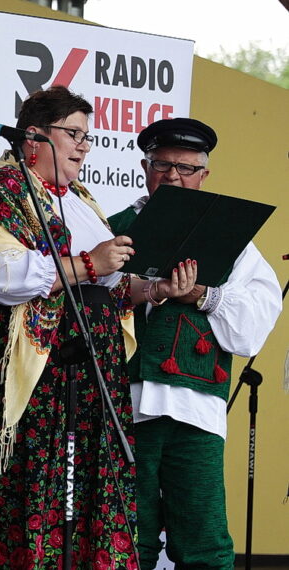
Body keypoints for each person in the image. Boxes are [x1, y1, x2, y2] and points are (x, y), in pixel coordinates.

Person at [0, 86, 195, 568]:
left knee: (81, 494)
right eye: (73, 134)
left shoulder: (84, 201)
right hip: (31, 389)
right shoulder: (1, 188)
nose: (84, 146)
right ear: (33, 138)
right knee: (28, 489)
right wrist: (89, 263)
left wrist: (154, 290)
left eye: (87, 137)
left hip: (87, 385)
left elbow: (109, 287)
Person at [107, 118, 282, 569]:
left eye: (185, 168)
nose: (172, 176)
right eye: (162, 164)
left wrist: (202, 294)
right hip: (124, 403)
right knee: (126, 535)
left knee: (202, 539)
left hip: (196, 406)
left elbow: (257, 321)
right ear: (145, 167)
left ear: (204, 175)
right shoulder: (115, 229)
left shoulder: (232, 239)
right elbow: (85, 307)